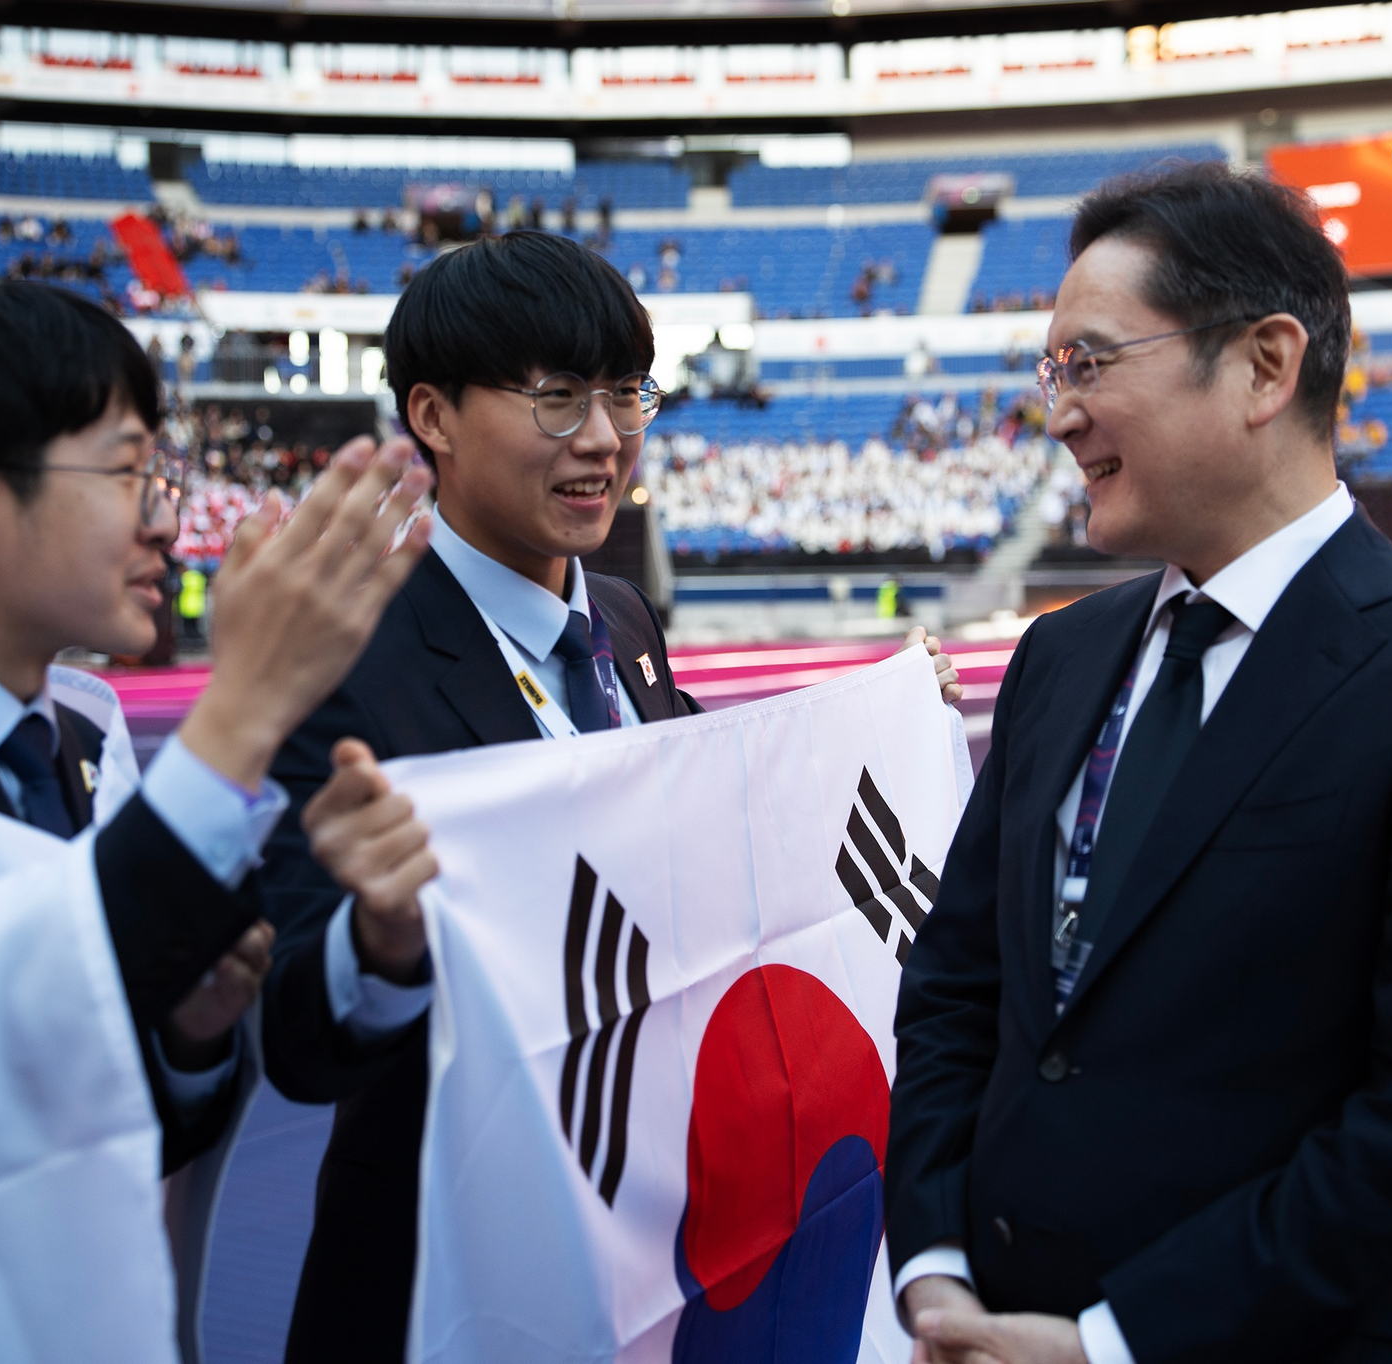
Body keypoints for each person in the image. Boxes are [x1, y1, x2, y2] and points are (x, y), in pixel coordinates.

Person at [887, 163, 1392, 1364]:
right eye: (1050, 370)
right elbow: (959, 989)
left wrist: (1117, 1341)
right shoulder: (1059, 657)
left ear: (1266, 365)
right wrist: (935, 1263)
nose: (1055, 412)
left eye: (1090, 363)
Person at [255, 230, 961, 1363]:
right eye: (553, 398)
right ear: (431, 415)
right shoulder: (340, 657)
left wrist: (873, 732)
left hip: (656, 1259)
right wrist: (380, 941)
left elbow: (698, 848)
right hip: (444, 1287)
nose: (602, 439)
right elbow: (293, 1033)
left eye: (626, 393)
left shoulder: (624, 621)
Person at [0, 281, 437, 1356]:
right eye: (127, 471)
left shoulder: (83, 732)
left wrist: (199, 1022)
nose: (167, 517)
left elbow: (139, 1115)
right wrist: (246, 707)